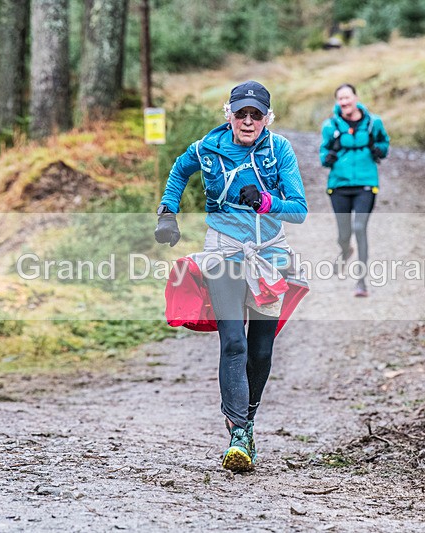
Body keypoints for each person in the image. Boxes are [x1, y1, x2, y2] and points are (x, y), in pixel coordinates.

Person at [154, 81, 308, 472]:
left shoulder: (279, 150)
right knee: (234, 343)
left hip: (269, 255)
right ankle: (238, 432)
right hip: (223, 252)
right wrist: (167, 212)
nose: (248, 120)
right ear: (229, 114)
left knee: (261, 349)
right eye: (242, 113)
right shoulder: (207, 148)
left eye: (256, 114)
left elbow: (300, 210)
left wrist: (265, 201)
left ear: (267, 119)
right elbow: (178, 170)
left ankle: (248, 419)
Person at [319, 83, 390, 297]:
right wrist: (328, 157)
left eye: (347, 97)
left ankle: (361, 281)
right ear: (337, 102)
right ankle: (345, 249)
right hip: (339, 184)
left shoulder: (373, 123)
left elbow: (384, 144)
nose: (344, 102)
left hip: (366, 183)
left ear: (355, 98)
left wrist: (380, 149)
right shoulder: (330, 126)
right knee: (344, 234)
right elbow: (323, 155)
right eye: (340, 99)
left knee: (359, 228)